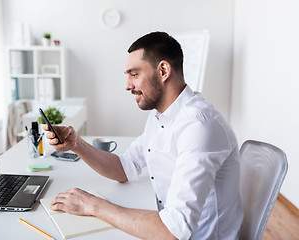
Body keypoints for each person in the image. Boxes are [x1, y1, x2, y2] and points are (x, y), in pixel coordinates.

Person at [44, 31, 243, 240]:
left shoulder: (199, 126)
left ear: (163, 70)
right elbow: (125, 167)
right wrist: (77, 144)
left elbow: (173, 231)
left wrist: (94, 205)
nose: (128, 85)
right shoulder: (160, 116)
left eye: (134, 74)